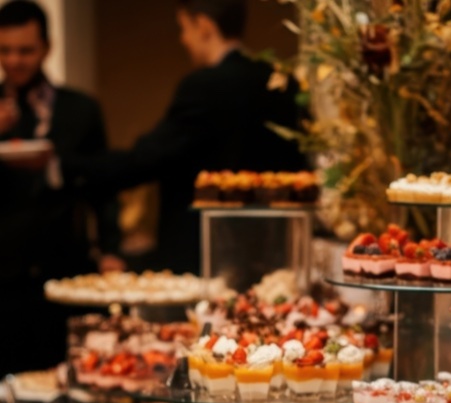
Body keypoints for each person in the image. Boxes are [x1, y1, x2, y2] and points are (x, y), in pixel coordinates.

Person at [62, 0, 311, 274]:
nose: (183, 39)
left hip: (204, 251)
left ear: (204, 26)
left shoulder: (202, 86)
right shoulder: (284, 83)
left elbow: (150, 157)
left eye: (184, 28)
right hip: (274, 247)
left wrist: (69, 167)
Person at [0, 0, 118, 375]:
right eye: (4, 50)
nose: (15, 60)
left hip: (66, 270)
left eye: (25, 50)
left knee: (74, 380)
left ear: (46, 48)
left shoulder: (79, 110)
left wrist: (111, 250)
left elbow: (103, 186)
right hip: (4, 278)